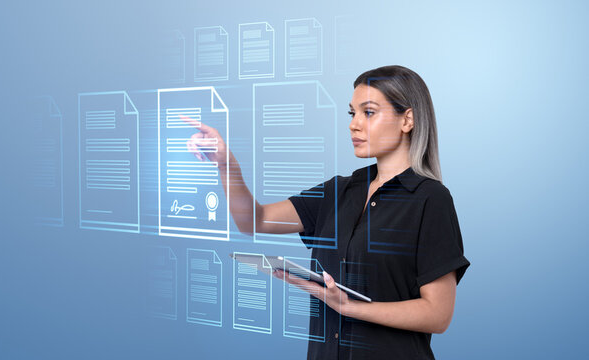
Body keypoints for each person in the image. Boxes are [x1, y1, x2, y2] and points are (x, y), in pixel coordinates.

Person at [185, 65, 470, 359]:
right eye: (352, 113)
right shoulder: (338, 192)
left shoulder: (430, 199)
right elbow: (252, 220)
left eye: (368, 112)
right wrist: (225, 163)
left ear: (407, 120)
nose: (354, 124)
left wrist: (350, 307)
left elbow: (438, 314)